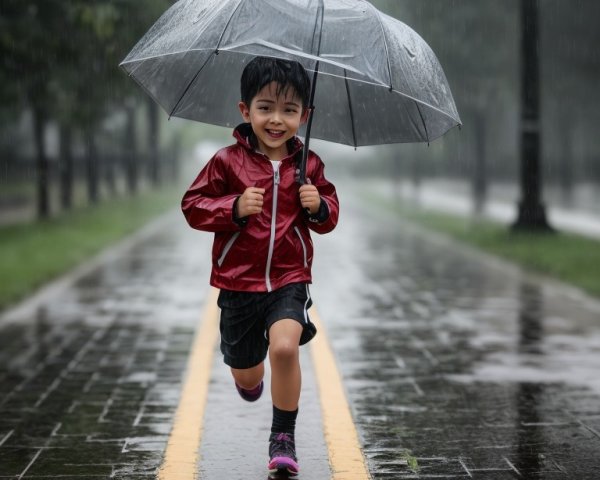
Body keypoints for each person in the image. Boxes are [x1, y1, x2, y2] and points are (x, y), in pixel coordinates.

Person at [181, 56, 339, 476]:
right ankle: (248, 380)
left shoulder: (309, 167)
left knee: (286, 348)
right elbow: (192, 206)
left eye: (289, 110)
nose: (276, 120)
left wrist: (318, 206)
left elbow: (329, 217)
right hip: (238, 283)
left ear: (304, 116)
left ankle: (283, 436)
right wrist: (232, 207)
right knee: (248, 373)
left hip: (290, 278)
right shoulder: (226, 162)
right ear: (244, 110)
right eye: (265, 107)